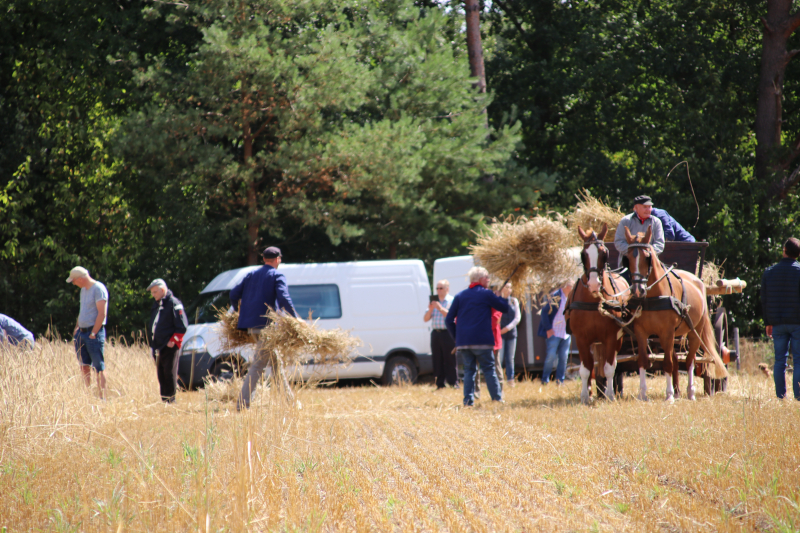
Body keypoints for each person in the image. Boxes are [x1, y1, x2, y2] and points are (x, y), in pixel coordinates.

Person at [231, 246, 299, 410]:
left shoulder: (251, 274)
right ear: (278, 259)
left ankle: (289, 402)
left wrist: (238, 310)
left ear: (263, 259)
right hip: (267, 328)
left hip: (251, 327)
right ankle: (243, 404)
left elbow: (233, 293)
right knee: (258, 365)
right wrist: (295, 319)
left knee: (276, 363)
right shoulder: (277, 275)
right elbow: (283, 297)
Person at [445, 266, 510, 406]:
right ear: (480, 279)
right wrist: (500, 297)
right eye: (487, 277)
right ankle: (497, 399)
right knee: (489, 369)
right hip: (482, 341)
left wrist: (457, 338)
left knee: (469, 371)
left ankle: (468, 402)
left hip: (464, 342)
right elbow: (505, 308)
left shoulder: (460, 296)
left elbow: (448, 320)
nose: (489, 280)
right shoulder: (487, 294)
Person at [761, 238, 800, 400]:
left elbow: (764, 300)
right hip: (797, 323)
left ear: (784, 250)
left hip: (777, 323)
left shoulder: (769, 272)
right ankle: (798, 397)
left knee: (779, 362)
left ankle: (781, 397)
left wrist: (767, 322)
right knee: (798, 361)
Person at [67, 266, 109, 399]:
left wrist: (93, 333)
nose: (73, 283)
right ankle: (88, 396)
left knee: (98, 367)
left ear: (80, 279)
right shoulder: (83, 290)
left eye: (74, 281)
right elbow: (82, 310)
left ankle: (102, 398)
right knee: (84, 365)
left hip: (93, 333)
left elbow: (102, 313)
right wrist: (77, 328)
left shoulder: (98, 289)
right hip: (81, 332)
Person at [146, 279, 188, 403]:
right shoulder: (157, 304)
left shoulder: (174, 303)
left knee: (169, 373)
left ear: (163, 290)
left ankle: (171, 401)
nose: (153, 295)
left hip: (169, 346)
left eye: (155, 292)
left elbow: (182, 326)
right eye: (152, 292)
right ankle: (164, 400)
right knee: (161, 374)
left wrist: (173, 341)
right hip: (158, 345)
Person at [538, 280, 574, 385]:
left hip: (565, 334)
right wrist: (548, 329)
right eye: (572, 286)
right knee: (551, 357)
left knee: (563, 358)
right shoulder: (556, 296)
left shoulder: (571, 298)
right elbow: (544, 312)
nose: (573, 288)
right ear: (567, 286)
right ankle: (545, 380)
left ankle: (560, 381)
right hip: (554, 333)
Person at [614, 195, 665, 268]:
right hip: (628, 264)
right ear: (636, 208)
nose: (648, 209)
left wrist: (646, 253)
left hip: (650, 264)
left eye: (649, 207)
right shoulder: (625, 221)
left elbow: (659, 243)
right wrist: (633, 253)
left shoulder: (656, 222)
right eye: (645, 207)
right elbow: (619, 242)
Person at [423, 279, 456, 389]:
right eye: (437, 288)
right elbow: (425, 319)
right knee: (437, 359)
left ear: (447, 289)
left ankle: (453, 382)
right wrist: (430, 309)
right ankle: (440, 383)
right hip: (436, 333)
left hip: (448, 333)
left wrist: (440, 308)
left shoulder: (452, 300)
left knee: (450, 358)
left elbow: (452, 316)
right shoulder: (434, 301)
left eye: (441, 288)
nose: (438, 290)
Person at [499, 283, 521, 386]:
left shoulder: (514, 301)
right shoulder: (497, 300)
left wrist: (507, 328)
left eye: (510, 287)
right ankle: (499, 379)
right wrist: (500, 330)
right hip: (500, 333)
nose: (509, 289)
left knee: (510, 358)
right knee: (499, 357)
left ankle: (510, 379)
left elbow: (518, 318)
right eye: (506, 287)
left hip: (511, 333)